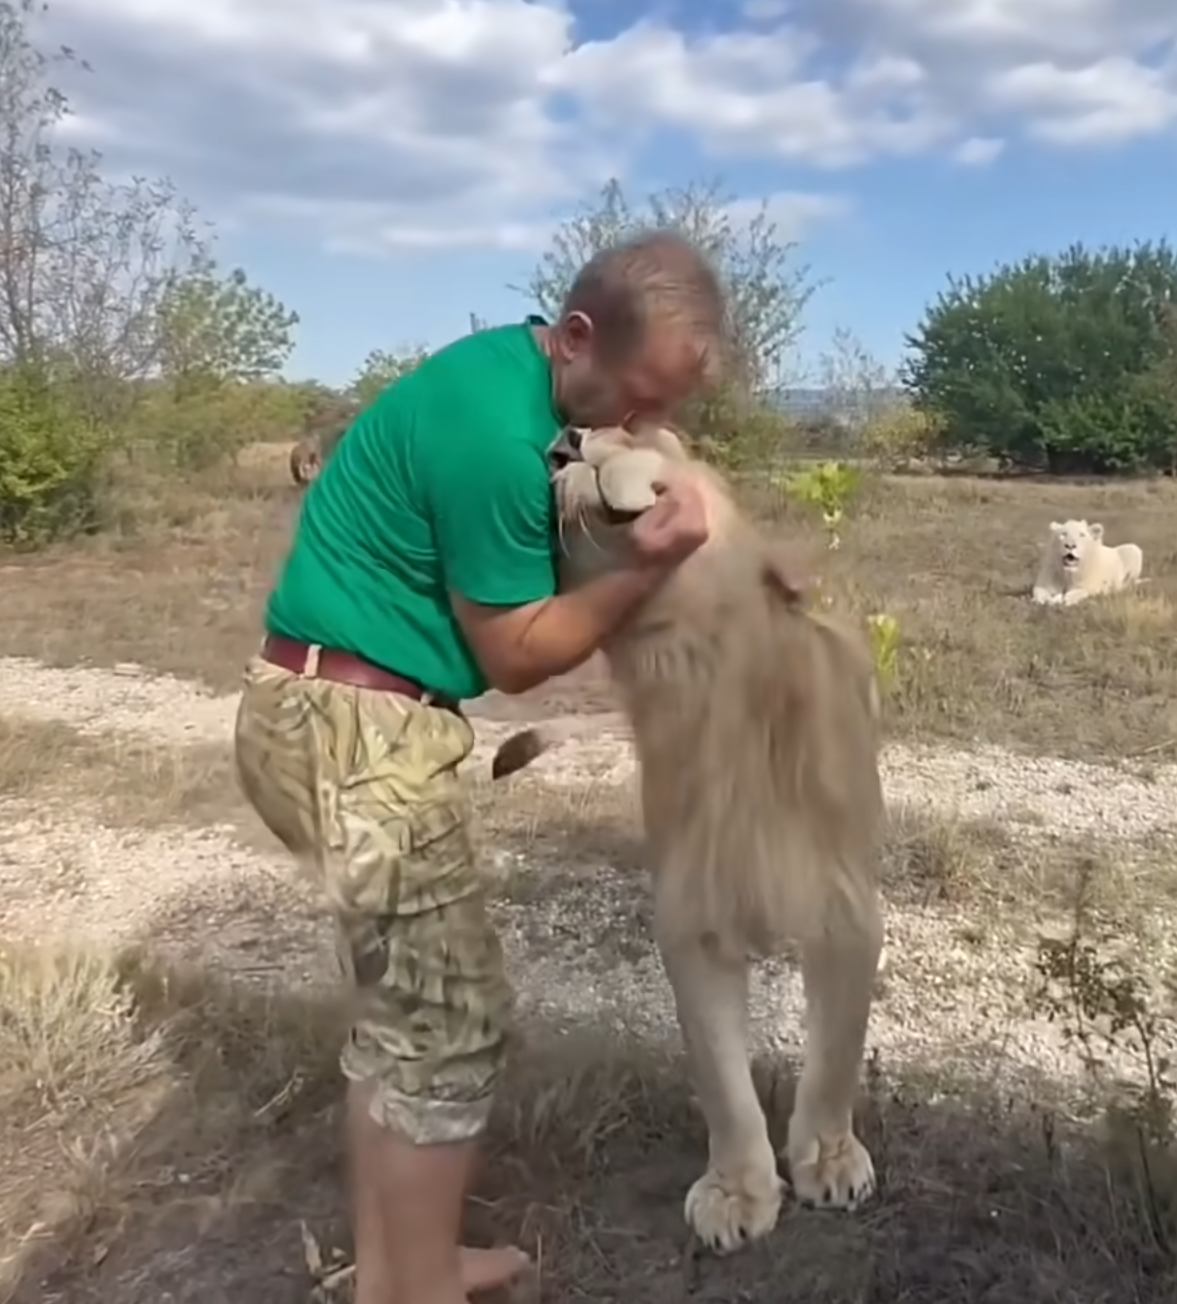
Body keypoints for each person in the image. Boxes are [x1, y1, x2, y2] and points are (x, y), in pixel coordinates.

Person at [233, 230, 729, 1304]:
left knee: (401, 1020)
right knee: (450, 1027)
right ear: (580, 333)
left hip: (323, 710)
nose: (634, 424)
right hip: (358, 733)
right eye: (635, 394)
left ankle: (400, 1269)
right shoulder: (500, 439)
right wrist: (648, 569)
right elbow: (519, 653)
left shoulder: (504, 380)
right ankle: (416, 1290)